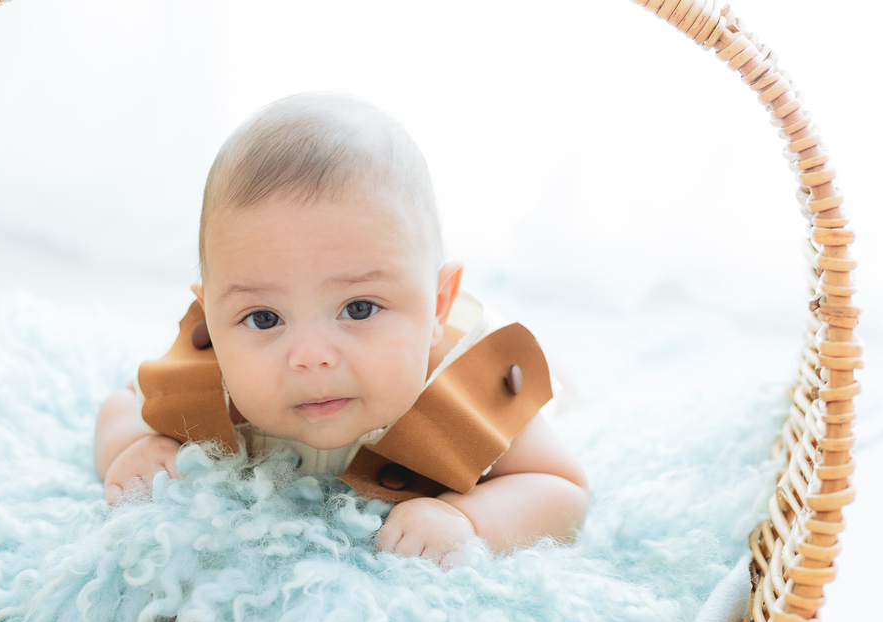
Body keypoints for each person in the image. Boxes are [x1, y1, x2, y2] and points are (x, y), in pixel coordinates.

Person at [93, 91, 588, 572]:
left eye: (359, 308)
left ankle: (560, 378)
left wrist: (468, 518)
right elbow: (123, 403)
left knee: (552, 394)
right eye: (264, 318)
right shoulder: (210, 380)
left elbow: (559, 486)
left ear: (436, 305)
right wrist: (132, 447)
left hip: (458, 358)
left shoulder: (460, 390)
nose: (311, 356)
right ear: (213, 319)